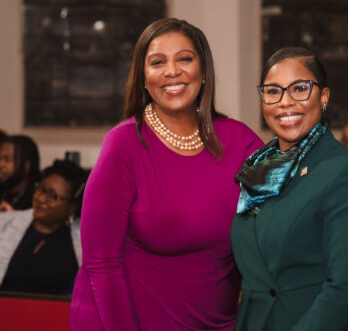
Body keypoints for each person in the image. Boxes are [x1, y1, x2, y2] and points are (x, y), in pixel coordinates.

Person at [70, 18, 263, 330]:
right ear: (144, 77)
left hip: (218, 322)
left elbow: (291, 200)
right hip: (129, 320)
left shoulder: (240, 141)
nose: (172, 71)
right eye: (157, 62)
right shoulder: (124, 144)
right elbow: (100, 263)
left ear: (203, 71)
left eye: (184, 59)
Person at [230, 47, 348, 330]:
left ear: (324, 97)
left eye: (299, 89)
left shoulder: (345, 170)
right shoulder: (258, 169)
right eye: (273, 91)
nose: (285, 102)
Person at [0, 159, 86, 295]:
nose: (41, 198)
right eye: (41, 189)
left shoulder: (82, 241)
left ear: (72, 206)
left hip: (53, 313)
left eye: (53, 196)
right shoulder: (5, 224)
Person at [0, 135, 41, 211]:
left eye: (7, 159)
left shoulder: (37, 200)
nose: (1, 164)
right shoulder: (3, 192)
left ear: (26, 166)